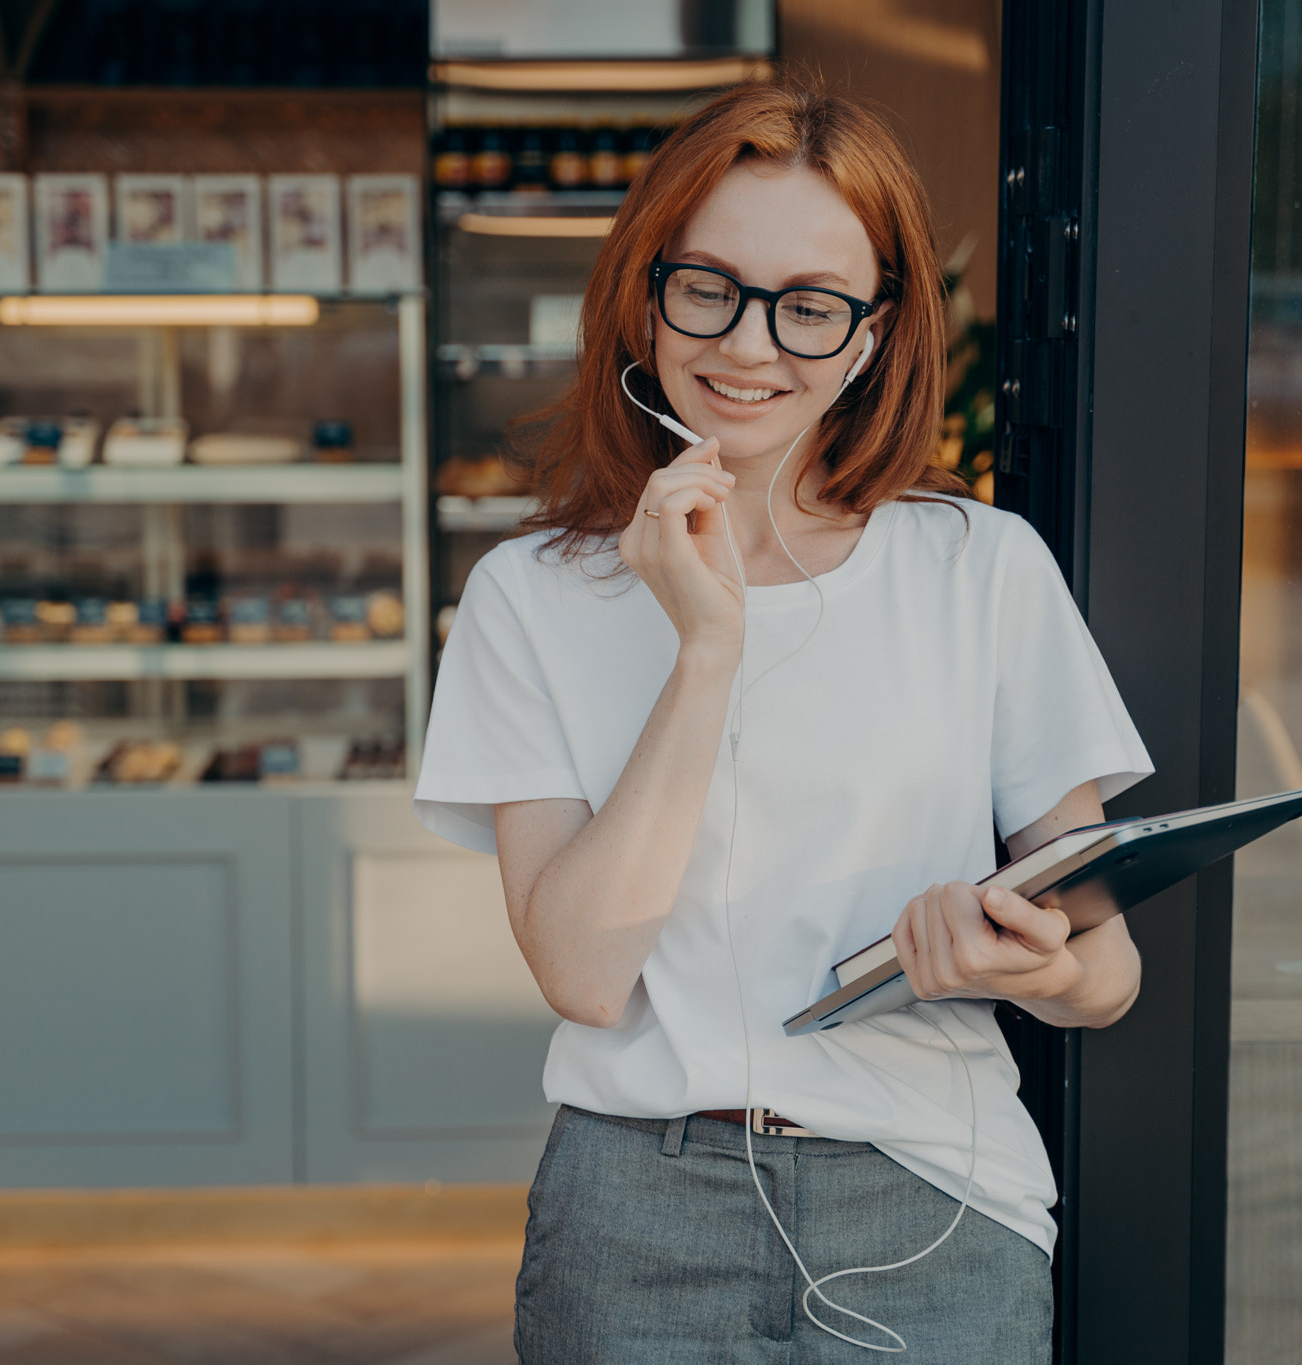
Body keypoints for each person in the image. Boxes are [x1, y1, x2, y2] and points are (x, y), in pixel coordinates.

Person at [413, 76, 1152, 1363]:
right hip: (635, 1216)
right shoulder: (527, 597)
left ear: (868, 337)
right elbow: (583, 975)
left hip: (933, 1197)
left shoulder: (975, 566)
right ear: (646, 294)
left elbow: (1107, 973)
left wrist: (1030, 965)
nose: (751, 348)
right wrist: (706, 648)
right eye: (710, 287)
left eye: (809, 309)